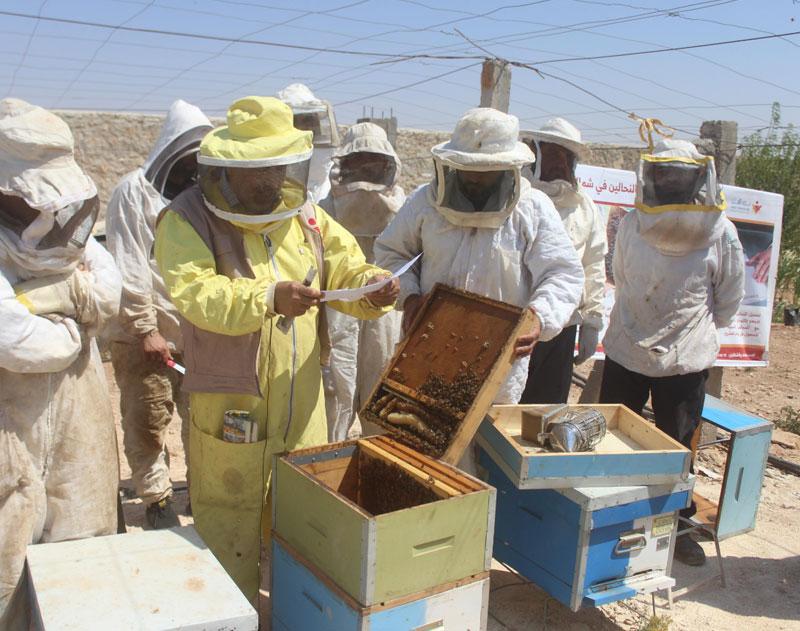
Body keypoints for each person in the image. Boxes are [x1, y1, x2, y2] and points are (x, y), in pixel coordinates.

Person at [154, 96, 399, 602]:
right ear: (225, 170)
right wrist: (268, 298)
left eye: (276, 170)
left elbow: (344, 265)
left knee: (300, 525)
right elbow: (196, 294)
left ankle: (294, 611)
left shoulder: (306, 217)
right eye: (255, 174)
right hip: (231, 403)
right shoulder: (185, 220)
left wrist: (372, 286)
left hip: (302, 399)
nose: (267, 184)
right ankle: (234, 614)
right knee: (228, 527)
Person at [0, 99, 121, 630]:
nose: (49, 221)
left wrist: (51, 295)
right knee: (9, 547)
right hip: (12, 425)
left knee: (83, 542)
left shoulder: (73, 238)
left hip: (79, 407)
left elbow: (109, 290)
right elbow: (25, 343)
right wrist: (73, 317)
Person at [374, 107, 584, 408]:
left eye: (484, 176)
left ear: (507, 169)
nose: (473, 181)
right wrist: (409, 297)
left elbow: (562, 272)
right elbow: (391, 252)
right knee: (422, 431)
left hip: (499, 367)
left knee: (490, 449)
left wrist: (539, 315)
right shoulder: (425, 201)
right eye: (467, 173)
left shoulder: (533, 208)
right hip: (427, 351)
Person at [599, 138, 745, 566]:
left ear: (698, 178)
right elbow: (623, 278)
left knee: (677, 446)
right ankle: (611, 520)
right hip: (628, 348)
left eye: (679, 175)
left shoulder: (722, 232)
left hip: (685, 359)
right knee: (613, 438)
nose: (670, 181)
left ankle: (676, 527)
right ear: (651, 175)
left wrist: (690, 336)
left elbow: (730, 297)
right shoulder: (632, 224)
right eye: (663, 173)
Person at [105, 100, 213, 529]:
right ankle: (156, 498)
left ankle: (198, 492)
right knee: (148, 418)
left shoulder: (202, 197)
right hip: (144, 337)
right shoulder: (133, 191)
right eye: (187, 159)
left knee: (200, 417)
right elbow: (129, 263)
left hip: (196, 333)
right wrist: (145, 328)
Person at [318, 122, 405, 441]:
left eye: (374, 165)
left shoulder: (404, 211)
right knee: (334, 393)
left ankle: (375, 466)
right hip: (337, 311)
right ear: (345, 166)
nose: (367, 172)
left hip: (386, 313)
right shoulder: (323, 211)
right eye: (360, 164)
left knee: (381, 394)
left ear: (388, 167)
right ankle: (325, 470)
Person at [519, 118, 607, 403]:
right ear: (535, 154)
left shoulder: (585, 208)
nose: (560, 163)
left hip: (562, 325)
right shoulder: (515, 199)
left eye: (566, 156)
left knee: (546, 409)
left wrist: (592, 321)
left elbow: (593, 263)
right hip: (515, 321)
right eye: (553, 153)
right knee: (503, 405)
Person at [277, 83, 339, 203]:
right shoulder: (273, 171)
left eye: (311, 119)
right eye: (303, 120)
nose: (309, 126)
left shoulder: (333, 176)